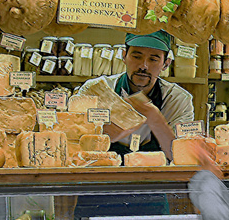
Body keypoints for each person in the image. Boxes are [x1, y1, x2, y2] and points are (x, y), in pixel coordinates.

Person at [72, 30, 196, 160]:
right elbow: (74, 145)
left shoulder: (178, 100)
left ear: (166, 64)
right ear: (124, 56)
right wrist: (102, 132)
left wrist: (156, 120)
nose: (143, 66)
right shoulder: (95, 90)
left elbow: (180, 157)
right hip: (102, 173)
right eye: (137, 57)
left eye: (153, 59)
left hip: (156, 177)